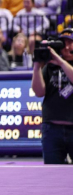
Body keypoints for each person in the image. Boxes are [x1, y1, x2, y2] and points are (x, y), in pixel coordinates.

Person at [31, 28, 73, 164]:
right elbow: (39, 92)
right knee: (52, 172)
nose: (66, 47)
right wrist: (37, 67)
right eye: (63, 43)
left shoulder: (59, 63)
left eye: (70, 43)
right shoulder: (49, 67)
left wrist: (60, 62)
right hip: (52, 129)